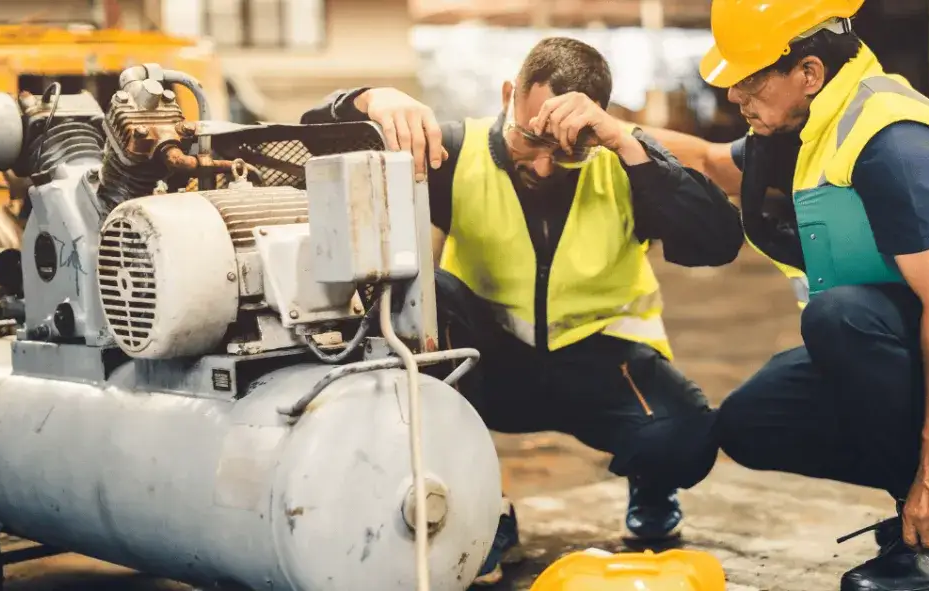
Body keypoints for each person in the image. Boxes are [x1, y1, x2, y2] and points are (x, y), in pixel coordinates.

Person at [646, 1, 929, 589]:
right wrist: (605, 127)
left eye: (749, 78)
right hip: (926, 334)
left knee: (839, 318)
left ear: (808, 73)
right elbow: (703, 159)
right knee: (753, 423)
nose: (733, 95)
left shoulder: (889, 142)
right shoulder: (811, 125)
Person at [301, 37, 741, 586]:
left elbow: (717, 243)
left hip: (604, 365)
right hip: (492, 363)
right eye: (531, 136)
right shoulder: (455, 152)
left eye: (566, 146)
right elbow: (307, 146)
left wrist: (625, 142)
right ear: (510, 94)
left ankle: (651, 481)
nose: (542, 162)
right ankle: (484, 508)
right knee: (429, 288)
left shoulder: (620, 165)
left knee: (684, 442)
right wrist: (370, 101)